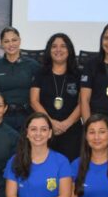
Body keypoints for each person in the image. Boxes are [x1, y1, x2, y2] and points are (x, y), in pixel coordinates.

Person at [30, 32, 82, 160]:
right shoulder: (40, 73)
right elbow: (34, 100)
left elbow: (83, 103)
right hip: (44, 131)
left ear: (69, 50)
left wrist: (66, 124)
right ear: (49, 50)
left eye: (63, 46)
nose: (58, 49)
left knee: (69, 172)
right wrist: (50, 123)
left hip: (71, 131)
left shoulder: (78, 74)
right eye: (54, 46)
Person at [0, 27, 39, 130]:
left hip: (28, 117)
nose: (11, 44)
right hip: (3, 118)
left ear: (20, 41)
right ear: (1, 44)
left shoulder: (33, 65)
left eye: (14, 40)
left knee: (25, 146)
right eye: (6, 41)